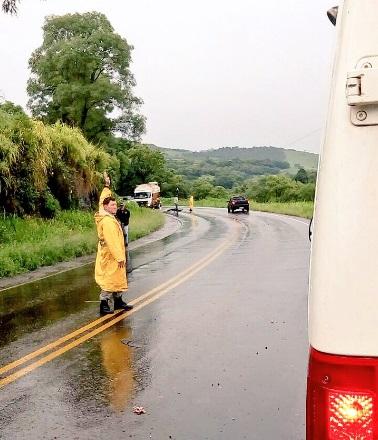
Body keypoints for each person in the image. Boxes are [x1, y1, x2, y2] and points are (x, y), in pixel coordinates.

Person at [94, 196, 133, 314]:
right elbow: (111, 240)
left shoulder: (110, 218)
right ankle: (104, 303)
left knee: (117, 277)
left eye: (115, 205)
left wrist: (106, 185)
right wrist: (120, 257)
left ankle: (118, 301)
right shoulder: (107, 221)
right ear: (105, 207)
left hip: (114, 253)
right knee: (109, 278)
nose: (115, 207)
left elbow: (102, 197)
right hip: (110, 254)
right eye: (112, 205)